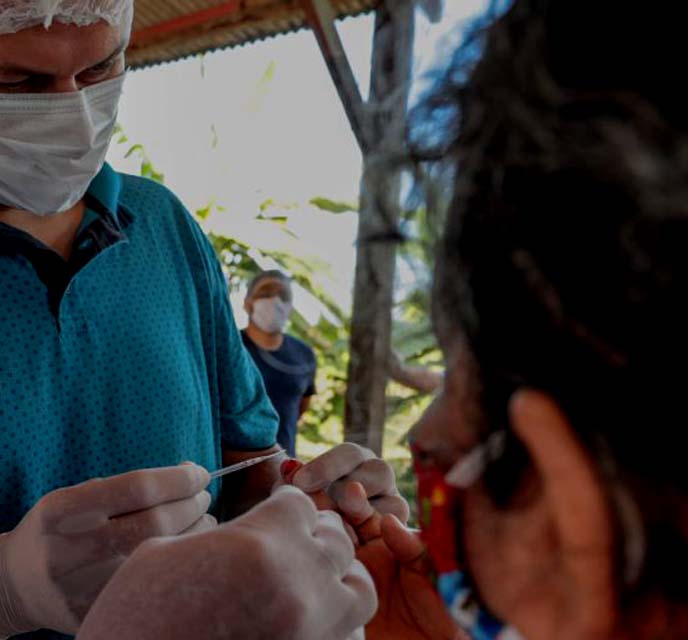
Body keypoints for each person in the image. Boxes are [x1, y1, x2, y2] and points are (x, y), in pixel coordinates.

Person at [64, 1, 688, 638]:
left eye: (457, 378)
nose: (423, 438)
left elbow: (252, 453)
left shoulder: (164, 231)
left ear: (572, 518)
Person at [0, 3, 405, 639]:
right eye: (18, 82)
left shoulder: (163, 226)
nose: (73, 111)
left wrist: (306, 504)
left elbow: (249, 464)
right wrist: (7, 590)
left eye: (99, 69)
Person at [242, 270, 318, 458]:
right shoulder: (230, 347)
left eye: (283, 296)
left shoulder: (304, 355)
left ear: (290, 307)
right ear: (247, 303)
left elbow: (301, 406)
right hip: (231, 466)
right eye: (266, 293)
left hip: (284, 463)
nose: (275, 301)